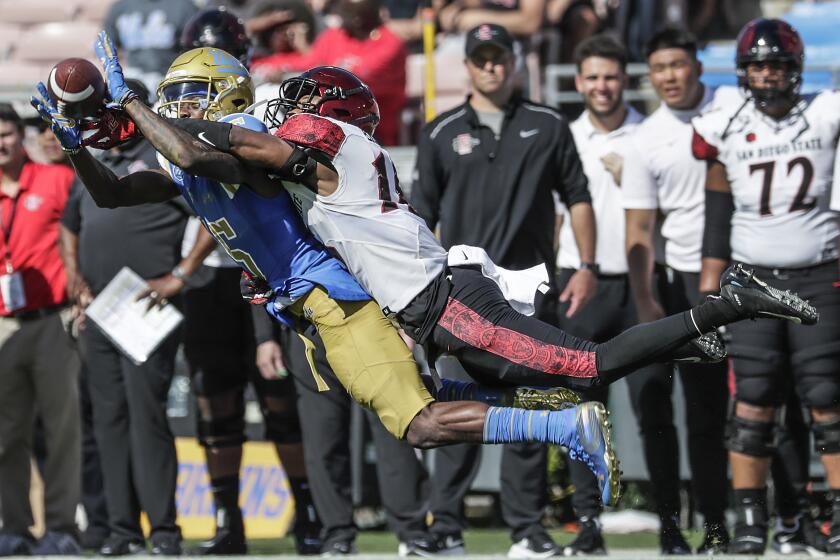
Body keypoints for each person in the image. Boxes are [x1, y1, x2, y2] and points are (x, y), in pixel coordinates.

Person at [139, 57, 817, 517]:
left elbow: (211, 149)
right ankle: (678, 346)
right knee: (479, 399)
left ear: (324, 114)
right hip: (433, 303)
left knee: (587, 368)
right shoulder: (336, 152)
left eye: (300, 103)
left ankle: (724, 305)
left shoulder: (328, 140)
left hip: (446, 302)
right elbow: (241, 177)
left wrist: (141, 110)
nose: (285, 108)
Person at [33, 33, 624, 506]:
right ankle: (538, 403)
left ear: (228, 94)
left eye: (193, 92)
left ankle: (567, 426)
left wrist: (133, 108)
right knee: (416, 398)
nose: (180, 104)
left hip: (331, 299)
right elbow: (113, 194)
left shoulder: (245, 144)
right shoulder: (189, 157)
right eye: (176, 92)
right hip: (310, 307)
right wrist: (78, 148)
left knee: (417, 423)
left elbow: (191, 152)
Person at [410, 23, 599, 557]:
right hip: (462, 294)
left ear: (515, 62)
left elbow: (577, 198)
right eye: (481, 58)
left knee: (528, 404)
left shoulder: (547, 124)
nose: (491, 66)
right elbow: (421, 216)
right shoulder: (440, 131)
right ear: (467, 66)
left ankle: (527, 527)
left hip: (529, 289)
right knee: (456, 405)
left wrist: (587, 263)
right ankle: (443, 524)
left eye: (499, 57)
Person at [176, 14, 323, 555]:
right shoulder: (181, 112)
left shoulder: (259, 109)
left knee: (279, 395)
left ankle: (307, 509)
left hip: (265, 266)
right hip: (216, 280)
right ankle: (225, 516)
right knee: (216, 400)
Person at [693, 18, 840, 554]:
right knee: (752, 402)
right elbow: (717, 205)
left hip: (821, 273)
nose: (768, 74)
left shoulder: (825, 112)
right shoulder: (725, 121)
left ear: (796, 69)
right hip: (750, 282)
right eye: (758, 64)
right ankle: (752, 521)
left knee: (827, 399)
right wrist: (710, 283)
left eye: (777, 64)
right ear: (743, 71)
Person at [59, 80, 202, 556]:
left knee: (147, 418)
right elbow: (69, 225)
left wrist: (180, 275)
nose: (102, 120)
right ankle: (122, 533)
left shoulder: (164, 158)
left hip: (146, 303)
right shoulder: (95, 166)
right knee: (109, 420)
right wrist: (74, 275)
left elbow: (207, 215)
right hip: (100, 306)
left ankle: (163, 532)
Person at [620, 28, 731, 554]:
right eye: (659, 67)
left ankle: (717, 524)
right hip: (674, 281)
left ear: (697, 67)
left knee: (711, 412)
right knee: (657, 407)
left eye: (678, 65)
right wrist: (646, 302)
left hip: (734, 279)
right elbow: (639, 230)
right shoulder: (646, 138)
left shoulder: (731, 108)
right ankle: (670, 526)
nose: (669, 76)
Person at [552, 33, 650, 556]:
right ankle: (588, 522)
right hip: (581, 284)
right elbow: (556, 217)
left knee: (652, 403)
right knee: (582, 409)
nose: (601, 86)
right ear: (578, 82)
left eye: (610, 76)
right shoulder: (565, 136)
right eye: (591, 76)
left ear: (625, 80)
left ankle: (675, 522)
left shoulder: (649, 135)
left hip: (640, 285)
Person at [254, 309, 440, 556]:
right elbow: (255, 276)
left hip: (368, 323)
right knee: (322, 436)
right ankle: (337, 533)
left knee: (394, 429)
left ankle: (413, 532)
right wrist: (265, 337)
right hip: (307, 330)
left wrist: (406, 324)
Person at [0, 104, 81, 556]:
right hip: (2, 325)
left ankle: (62, 527)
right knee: (5, 434)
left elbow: (79, 237)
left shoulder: (56, 179)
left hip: (53, 319)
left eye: (7, 133)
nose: (1, 143)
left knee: (62, 429)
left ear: (21, 136)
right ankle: (13, 526)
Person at [250, 0, 407, 146]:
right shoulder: (336, 35)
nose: (341, 9)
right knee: (269, 93)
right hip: (328, 126)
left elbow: (349, 81)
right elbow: (305, 64)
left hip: (370, 131)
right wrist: (270, 69)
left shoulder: (390, 44)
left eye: (349, 5)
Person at [103, 0, 197, 92]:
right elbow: (107, 49)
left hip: (168, 76)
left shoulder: (184, 6)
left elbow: (194, 50)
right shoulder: (120, 7)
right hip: (131, 73)